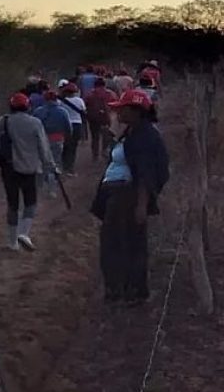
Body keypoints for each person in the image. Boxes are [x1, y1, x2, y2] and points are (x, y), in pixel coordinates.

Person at [91, 90, 169, 305]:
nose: (117, 112)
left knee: (122, 245)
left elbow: (146, 174)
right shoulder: (133, 132)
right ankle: (121, 290)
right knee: (118, 243)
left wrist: (141, 205)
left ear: (136, 111)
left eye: (122, 108)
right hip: (118, 195)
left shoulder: (145, 136)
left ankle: (130, 292)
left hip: (127, 196)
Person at [0, 93, 56, 251]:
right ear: (28, 106)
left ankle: (12, 242)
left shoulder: (3, 120)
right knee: (30, 202)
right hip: (30, 168)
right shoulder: (35, 123)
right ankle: (24, 233)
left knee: (13, 204)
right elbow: (43, 147)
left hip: (9, 168)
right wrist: (50, 165)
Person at [32, 90, 71, 198]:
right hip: (57, 139)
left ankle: (39, 188)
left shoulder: (38, 111)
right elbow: (68, 128)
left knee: (41, 163)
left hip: (41, 140)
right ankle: (52, 190)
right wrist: (67, 138)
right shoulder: (63, 111)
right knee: (55, 164)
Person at [58, 82, 87, 175]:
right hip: (76, 124)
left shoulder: (61, 101)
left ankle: (63, 166)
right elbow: (84, 111)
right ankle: (70, 168)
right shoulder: (79, 101)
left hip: (65, 125)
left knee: (65, 146)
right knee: (73, 147)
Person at [84, 78, 115, 161]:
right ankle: (104, 151)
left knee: (95, 137)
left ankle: (95, 155)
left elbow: (85, 105)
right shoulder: (110, 93)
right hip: (106, 118)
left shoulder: (90, 94)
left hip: (93, 118)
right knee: (106, 136)